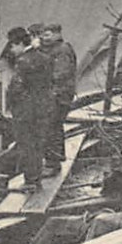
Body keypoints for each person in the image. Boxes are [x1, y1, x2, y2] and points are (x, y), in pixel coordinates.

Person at [3, 27, 54, 191]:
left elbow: (16, 88)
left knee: (26, 145)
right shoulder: (45, 57)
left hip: (26, 111)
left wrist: (10, 105)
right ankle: (35, 179)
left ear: (18, 43)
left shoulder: (23, 61)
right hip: (43, 107)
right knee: (38, 144)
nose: (11, 50)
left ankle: (30, 182)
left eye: (12, 46)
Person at [40, 23, 78, 170]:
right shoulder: (53, 49)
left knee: (52, 127)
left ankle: (53, 163)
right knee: (52, 126)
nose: (44, 37)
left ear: (57, 34)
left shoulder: (62, 50)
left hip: (60, 95)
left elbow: (60, 73)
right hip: (54, 94)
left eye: (47, 35)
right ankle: (52, 160)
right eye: (43, 35)